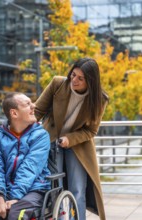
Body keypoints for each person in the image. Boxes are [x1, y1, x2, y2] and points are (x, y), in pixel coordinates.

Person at [35, 57, 108, 220]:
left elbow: (90, 131)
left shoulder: (99, 100)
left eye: (80, 78)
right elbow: (37, 111)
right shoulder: (58, 84)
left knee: (78, 189)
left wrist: (69, 139)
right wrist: (19, 128)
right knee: (55, 188)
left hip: (78, 145)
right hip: (52, 141)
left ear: (91, 81)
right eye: (73, 75)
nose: (74, 80)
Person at [0, 93, 51, 220]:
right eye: (28, 104)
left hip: (34, 189)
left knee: (17, 213)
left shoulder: (41, 136)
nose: (34, 106)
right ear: (14, 113)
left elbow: (30, 168)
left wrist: (14, 197)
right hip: (4, 189)